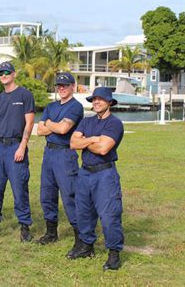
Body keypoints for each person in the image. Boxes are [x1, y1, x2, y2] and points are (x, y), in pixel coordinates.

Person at [67, 87, 124, 271]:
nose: (96, 102)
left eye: (101, 99)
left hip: (104, 174)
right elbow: (73, 143)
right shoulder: (86, 121)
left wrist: (86, 141)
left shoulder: (115, 124)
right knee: (83, 211)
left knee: (109, 215)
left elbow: (103, 149)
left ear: (110, 102)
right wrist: (93, 139)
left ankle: (114, 254)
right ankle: (86, 247)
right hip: (85, 173)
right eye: (94, 99)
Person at [0, 61, 35, 242]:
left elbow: (29, 122)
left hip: (15, 146)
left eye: (7, 72)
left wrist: (22, 146)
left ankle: (25, 226)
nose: (3, 75)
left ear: (14, 74)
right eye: (0, 72)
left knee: (19, 188)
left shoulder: (25, 95)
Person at [36, 72, 83, 249]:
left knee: (70, 194)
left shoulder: (75, 107)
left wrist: (48, 123)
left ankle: (80, 236)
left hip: (65, 154)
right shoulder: (51, 106)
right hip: (49, 153)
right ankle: (51, 232)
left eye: (65, 85)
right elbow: (39, 131)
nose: (61, 88)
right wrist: (51, 125)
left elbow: (64, 129)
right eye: (59, 86)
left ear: (73, 86)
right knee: (47, 194)